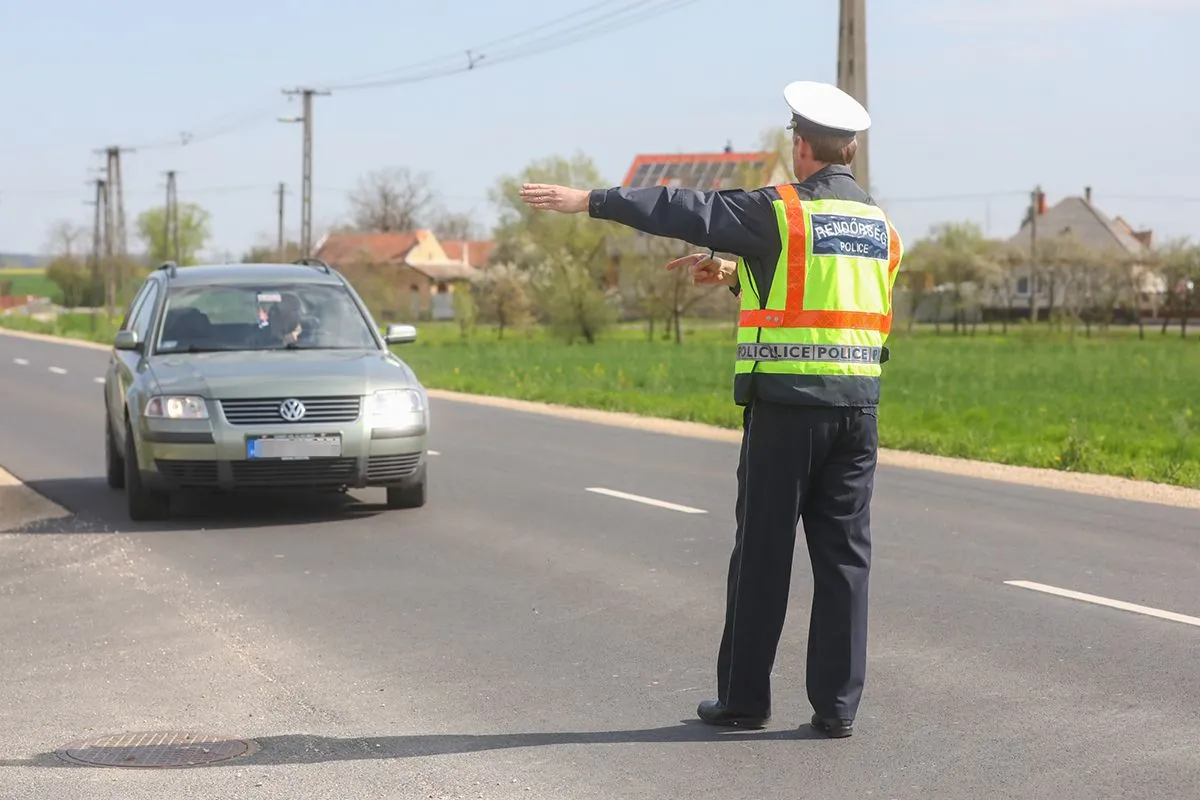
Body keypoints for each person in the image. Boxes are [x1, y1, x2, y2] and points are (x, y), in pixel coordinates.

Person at [518, 80, 904, 739]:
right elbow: (824, 302)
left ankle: (744, 701)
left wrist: (592, 201)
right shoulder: (882, 229)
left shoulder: (780, 211)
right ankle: (837, 707)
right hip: (857, 413)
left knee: (762, 555)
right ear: (852, 151)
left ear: (801, 145)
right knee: (845, 561)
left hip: (787, 411)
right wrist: (736, 276)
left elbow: (685, 208)